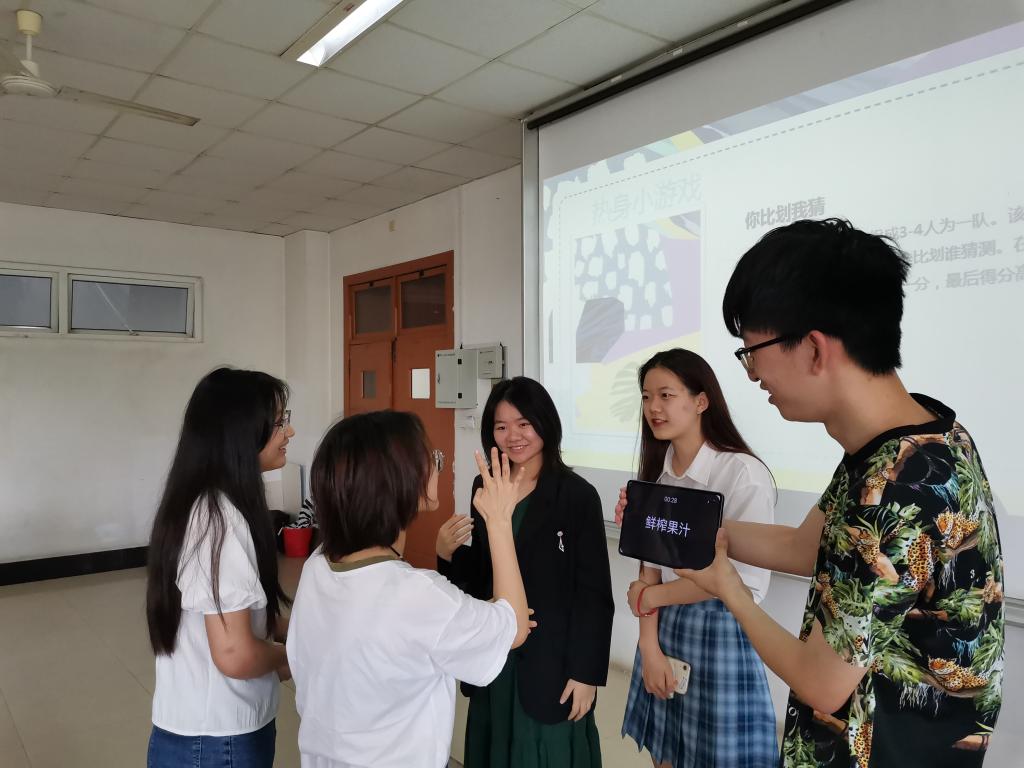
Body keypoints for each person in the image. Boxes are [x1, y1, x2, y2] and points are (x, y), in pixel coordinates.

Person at [678, 218, 1004, 767]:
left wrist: (729, 589)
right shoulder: (912, 440)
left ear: (813, 349)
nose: (753, 374)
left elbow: (821, 684)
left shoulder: (896, 488)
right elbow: (805, 546)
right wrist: (689, 529)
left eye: (752, 350)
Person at [287, 410, 532, 768]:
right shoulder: (417, 595)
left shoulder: (318, 565)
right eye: (430, 458)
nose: (436, 466)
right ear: (399, 481)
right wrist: (499, 520)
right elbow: (514, 626)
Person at [437, 376, 614, 768]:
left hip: (552, 659)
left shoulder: (577, 495)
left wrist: (586, 673)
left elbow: (594, 594)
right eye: (501, 426)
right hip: (497, 652)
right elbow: (483, 573)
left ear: (545, 423)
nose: (512, 436)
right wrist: (447, 556)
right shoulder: (485, 485)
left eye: (524, 424)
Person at [615, 348, 778, 767]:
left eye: (666, 395)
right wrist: (648, 647)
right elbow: (648, 569)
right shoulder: (657, 474)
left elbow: (740, 584)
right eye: (647, 397)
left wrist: (650, 598)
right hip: (662, 628)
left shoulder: (742, 474)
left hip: (721, 631)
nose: (653, 408)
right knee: (665, 755)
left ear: (701, 401)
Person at [145, 367, 293, 768]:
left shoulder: (212, 506)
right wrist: (292, 656)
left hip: (210, 733)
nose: (289, 432)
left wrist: (304, 628)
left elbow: (244, 619)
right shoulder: (218, 521)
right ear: (240, 434)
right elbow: (235, 653)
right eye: (278, 422)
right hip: (215, 742)